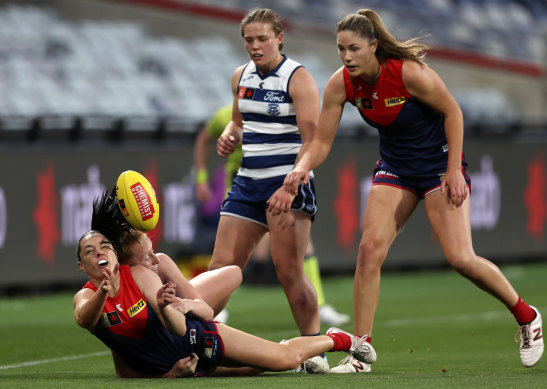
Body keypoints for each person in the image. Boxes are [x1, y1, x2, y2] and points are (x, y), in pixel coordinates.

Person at [272, 9, 544, 373]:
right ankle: (361, 353)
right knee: (369, 251)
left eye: (354, 48)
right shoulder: (342, 84)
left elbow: (453, 113)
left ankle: (527, 317)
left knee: (462, 259)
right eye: (340, 49)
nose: (347, 57)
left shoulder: (407, 73)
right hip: (396, 168)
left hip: (438, 166)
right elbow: (321, 142)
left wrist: (453, 172)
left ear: (373, 46)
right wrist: (301, 167)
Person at [73, 230, 377, 377]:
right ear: (82, 266)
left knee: (282, 359)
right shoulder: (88, 297)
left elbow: (180, 327)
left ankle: (341, 339)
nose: (100, 252)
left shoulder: (138, 274)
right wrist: (171, 375)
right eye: (90, 251)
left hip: (199, 336)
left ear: (114, 253)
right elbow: (88, 322)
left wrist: (173, 305)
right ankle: (305, 361)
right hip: (188, 366)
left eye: (104, 246)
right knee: (256, 370)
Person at [205, 7, 325, 368]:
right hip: (247, 184)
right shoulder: (240, 76)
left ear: (279, 38)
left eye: (262, 39)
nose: (255, 46)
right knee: (220, 268)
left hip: (287, 183)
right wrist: (230, 136)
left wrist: (291, 185)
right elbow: (239, 124)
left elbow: (313, 141)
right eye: (249, 40)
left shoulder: (298, 77)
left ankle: (313, 349)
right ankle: (190, 340)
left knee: (289, 273)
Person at [195, 103, 349, 325]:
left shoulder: (279, 108)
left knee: (300, 252)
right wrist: (201, 178)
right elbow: (205, 138)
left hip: (277, 184)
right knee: (225, 257)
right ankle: (215, 309)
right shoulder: (224, 115)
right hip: (240, 187)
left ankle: (319, 310)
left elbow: (311, 138)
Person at [90, 189, 243, 377]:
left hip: (185, 327)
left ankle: (201, 334)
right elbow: (124, 371)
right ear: (127, 269)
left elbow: (205, 309)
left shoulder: (160, 263)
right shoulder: (121, 290)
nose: (154, 260)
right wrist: (170, 374)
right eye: (146, 257)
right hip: (167, 352)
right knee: (254, 366)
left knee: (233, 274)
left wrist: (184, 306)